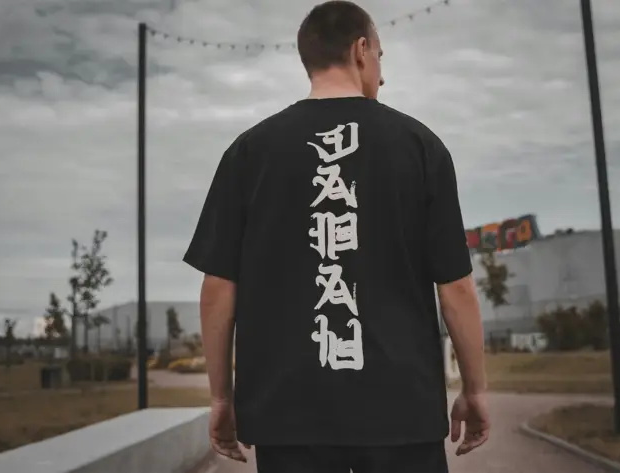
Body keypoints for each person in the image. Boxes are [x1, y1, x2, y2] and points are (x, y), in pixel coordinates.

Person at [183, 1, 490, 472]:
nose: (382, 76)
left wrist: (221, 397)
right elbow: (456, 288)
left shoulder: (249, 152)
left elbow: (217, 290)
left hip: (287, 413)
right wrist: (475, 389)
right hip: (400, 411)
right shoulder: (420, 147)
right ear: (362, 49)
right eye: (381, 57)